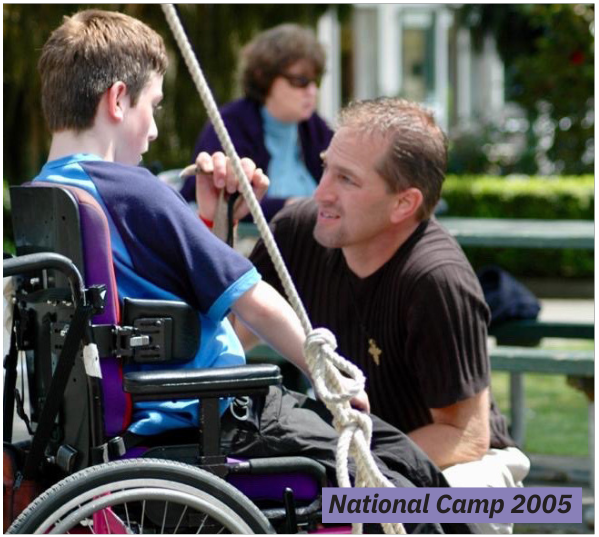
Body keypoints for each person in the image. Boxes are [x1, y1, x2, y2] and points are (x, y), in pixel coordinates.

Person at [34, 10, 474, 535]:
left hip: (129, 427)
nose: (153, 130)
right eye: (152, 107)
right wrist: (324, 375)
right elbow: (253, 297)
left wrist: (209, 219)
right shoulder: (132, 187)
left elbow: (151, 288)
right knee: (403, 474)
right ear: (118, 99)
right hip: (217, 424)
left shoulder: (49, 195)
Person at [244, 98, 530, 534]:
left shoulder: (437, 280)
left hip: (466, 468)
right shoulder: (297, 231)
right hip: (357, 456)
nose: (322, 191)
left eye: (347, 179)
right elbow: (228, 335)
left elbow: (466, 436)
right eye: (326, 167)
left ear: (403, 204)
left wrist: (362, 481)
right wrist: (218, 219)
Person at [180, 23, 334, 221]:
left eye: (316, 81)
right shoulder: (230, 124)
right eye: (300, 80)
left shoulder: (316, 128)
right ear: (263, 77)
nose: (312, 91)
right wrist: (289, 207)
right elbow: (209, 196)